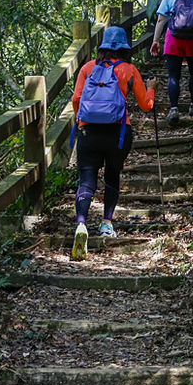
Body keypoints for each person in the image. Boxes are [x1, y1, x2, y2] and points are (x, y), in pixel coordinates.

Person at [70, 26, 157, 260]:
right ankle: (107, 223)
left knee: (86, 180)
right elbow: (146, 105)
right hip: (118, 133)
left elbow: (76, 99)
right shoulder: (129, 70)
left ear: (103, 47)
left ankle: (81, 224)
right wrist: (151, 89)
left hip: (89, 132)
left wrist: (83, 122)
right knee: (111, 176)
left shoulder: (87, 68)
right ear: (125, 48)